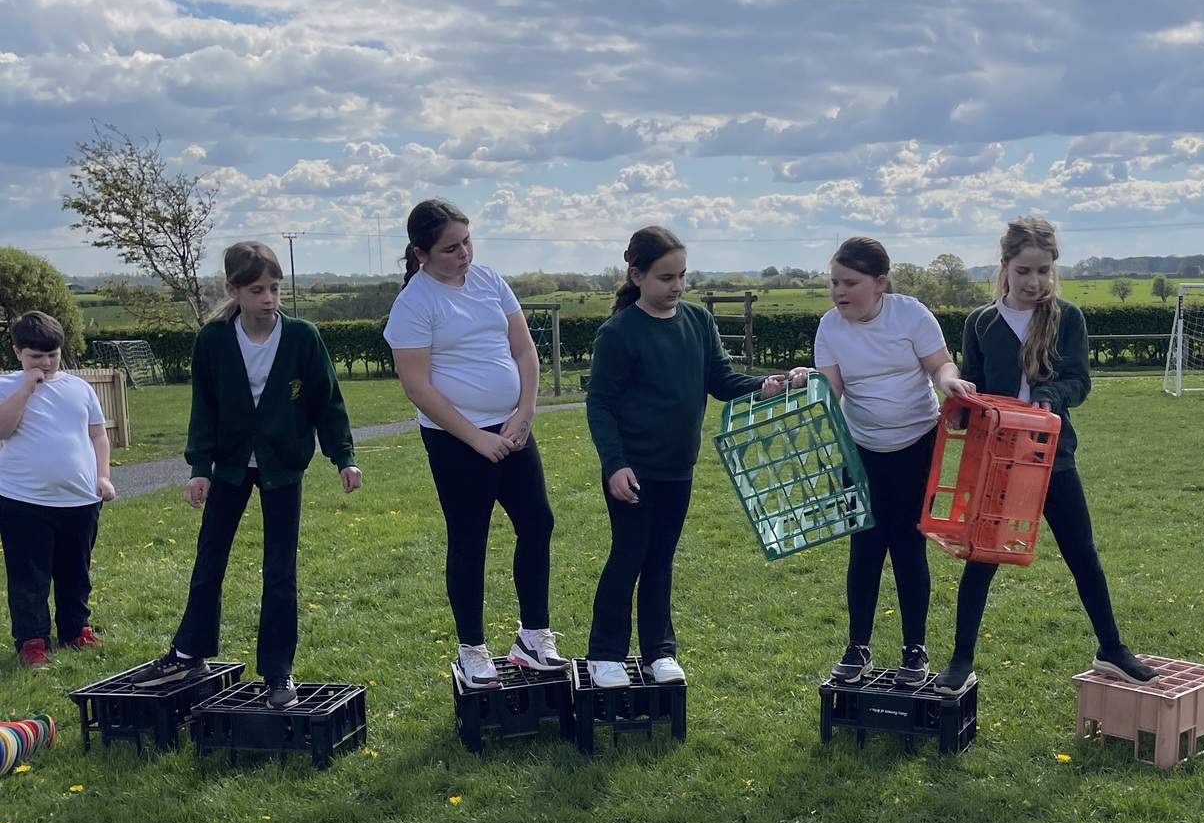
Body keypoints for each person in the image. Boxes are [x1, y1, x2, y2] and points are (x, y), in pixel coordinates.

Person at [935, 216, 1154, 691]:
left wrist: (1050, 396)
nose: (1034, 282)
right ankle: (961, 659)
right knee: (982, 558)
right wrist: (960, 408)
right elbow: (976, 385)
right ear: (1004, 266)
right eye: (1023, 271)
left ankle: (1112, 649)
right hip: (998, 460)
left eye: (1043, 270)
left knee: (1082, 553)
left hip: (1053, 456)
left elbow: (1079, 382)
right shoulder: (980, 322)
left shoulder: (1067, 318)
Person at [142, 241, 361, 707]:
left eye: (275, 288)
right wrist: (200, 469)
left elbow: (328, 401)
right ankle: (189, 652)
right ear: (234, 290)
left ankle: (278, 673)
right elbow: (204, 408)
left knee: (280, 571)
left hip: (284, 465)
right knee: (209, 560)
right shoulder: (213, 340)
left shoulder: (303, 337)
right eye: (258, 290)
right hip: (230, 465)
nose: (269, 298)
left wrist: (344, 457)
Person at [584, 226, 803, 688]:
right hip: (633, 471)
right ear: (637, 275)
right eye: (666, 277)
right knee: (628, 557)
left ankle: (659, 653)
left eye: (683, 275)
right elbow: (600, 405)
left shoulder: (698, 321)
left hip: (678, 469)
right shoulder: (618, 333)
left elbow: (722, 381)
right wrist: (614, 465)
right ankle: (605, 655)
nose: (678, 286)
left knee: (660, 560)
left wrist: (769, 386)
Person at [384, 199, 562, 687]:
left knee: (538, 523)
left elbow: (524, 350)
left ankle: (533, 637)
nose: (463, 253)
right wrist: (477, 439)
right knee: (469, 539)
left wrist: (525, 413)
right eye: (450, 248)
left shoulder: (490, 281)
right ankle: (472, 650)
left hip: (513, 429)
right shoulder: (414, 304)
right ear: (421, 254)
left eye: (466, 241)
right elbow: (417, 386)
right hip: (456, 440)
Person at [813, 236, 975, 683]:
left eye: (849, 282)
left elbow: (940, 364)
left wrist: (949, 382)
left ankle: (914, 651)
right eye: (834, 282)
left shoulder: (911, 314)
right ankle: (857, 647)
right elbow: (831, 390)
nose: (839, 291)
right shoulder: (829, 326)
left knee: (907, 546)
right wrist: (806, 385)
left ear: (880, 282)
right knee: (864, 547)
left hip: (916, 445)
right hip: (860, 450)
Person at [0, 311, 115, 666]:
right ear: (17, 352)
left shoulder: (79, 389)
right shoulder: (6, 386)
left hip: (79, 500)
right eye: (36, 356)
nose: (46, 363)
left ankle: (76, 630)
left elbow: (98, 436)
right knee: (28, 576)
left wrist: (103, 476)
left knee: (76, 572)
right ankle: (33, 641)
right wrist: (27, 388)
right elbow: (3, 430)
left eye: (53, 355)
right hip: (23, 500)